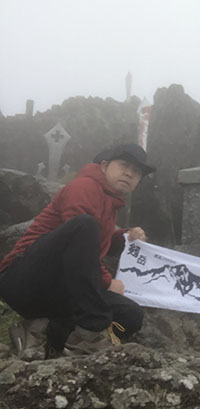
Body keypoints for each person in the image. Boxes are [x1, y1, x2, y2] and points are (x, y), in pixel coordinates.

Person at [0, 142, 155, 357]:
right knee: (85, 225)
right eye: (124, 165)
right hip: (22, 278)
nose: (129, 173)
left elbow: (95, 244)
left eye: (136, 172)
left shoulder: (110, 202)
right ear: (104, 166)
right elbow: (80, 235)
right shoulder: (84, 186)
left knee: (130, 314)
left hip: (58, 287)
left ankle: (43, 334)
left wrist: (125, 237)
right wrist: (107, 282)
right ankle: (89, 333)